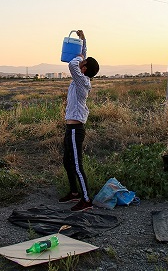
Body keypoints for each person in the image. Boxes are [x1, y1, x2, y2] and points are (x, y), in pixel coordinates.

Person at [58, 30, 99, 212]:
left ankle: (87, 200)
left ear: (84, 69)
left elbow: (73, 65)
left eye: (82, 63)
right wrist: (83, 40)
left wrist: (79, 55)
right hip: (70, 128)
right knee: (67, 161)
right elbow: (82, 60)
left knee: (76, 163)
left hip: (76, 130)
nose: (80, 61)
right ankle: (74, 193)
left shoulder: (83, 82)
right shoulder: (80, 79)